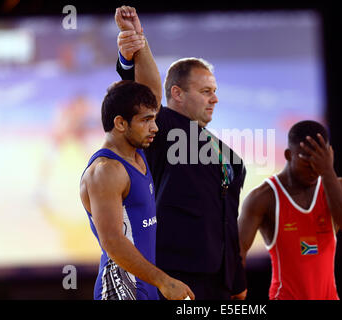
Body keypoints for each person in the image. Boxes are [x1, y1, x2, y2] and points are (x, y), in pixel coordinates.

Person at [113, 6, 247, 300]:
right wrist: (133, 46)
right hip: (176, 279)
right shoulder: (161, 128)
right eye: (206, 91)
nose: (215, 98)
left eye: (214, 90)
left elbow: (227, 222)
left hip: (222, 283)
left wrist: (236, 279)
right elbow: (139, 94)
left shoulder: (228, 156)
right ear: (176, 93)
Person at [80, 80, 194, 300]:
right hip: (120, 290)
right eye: (146, 120)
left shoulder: (136, 154)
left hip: (146, 285)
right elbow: (112, 240)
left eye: (153, 118)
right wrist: (165, 281)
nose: (155, 127)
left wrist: (141, 46)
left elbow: (153, 92)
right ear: (121, 123)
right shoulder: (106, 171)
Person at [238, 120, 342, 300]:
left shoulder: (340, 188)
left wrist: (327, 171)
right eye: (307, 162)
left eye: (319, 163)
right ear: (288, 155)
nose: (314, 170)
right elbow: (237, 251)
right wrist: (236, 290)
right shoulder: (264, 197)